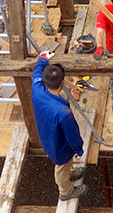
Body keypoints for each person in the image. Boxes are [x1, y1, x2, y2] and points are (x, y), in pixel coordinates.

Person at [31, 50, 88, 201]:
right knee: (61, 166)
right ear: (62, 83)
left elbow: (37, 71)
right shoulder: (63, 112)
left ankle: (69, 174)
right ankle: (66, 191)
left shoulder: (37, 88)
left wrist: (43, 58)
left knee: (64, 165)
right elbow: (72, 134)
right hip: (60, 145)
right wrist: (78, 148)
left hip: (46, 135)